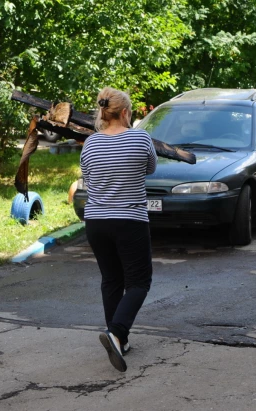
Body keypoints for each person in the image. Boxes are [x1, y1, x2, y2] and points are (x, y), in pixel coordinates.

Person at [80, 87, 157, 372]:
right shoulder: (140, 137)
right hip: (130, 221)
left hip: (96, 222)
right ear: (125, 112)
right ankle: (116, 332)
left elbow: (88, 177)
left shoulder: (90, 143)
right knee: (138, 282)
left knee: (111, 279)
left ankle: (120, 341)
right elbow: (150, 168)